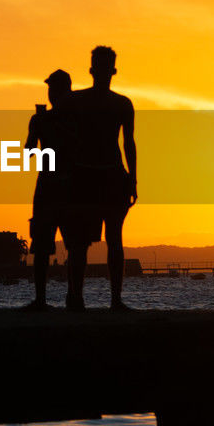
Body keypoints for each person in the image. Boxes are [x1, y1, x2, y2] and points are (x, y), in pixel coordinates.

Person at [64, 46, 137, 311]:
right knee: (80, 242)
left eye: (106, 66)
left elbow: (129, 142)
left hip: (110, 175)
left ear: (111, 70)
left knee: (113, 238)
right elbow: (65, 139)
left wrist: (133, 178)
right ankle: (77, 297)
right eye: (100, 66)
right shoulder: (76, 101)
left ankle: (114, 299)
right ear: (93, 70)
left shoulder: (121, 104)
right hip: (85, 175)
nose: (103, 71)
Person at [22, 70, 75, 312]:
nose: (51, 94)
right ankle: (41, 299)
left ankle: (74, 297)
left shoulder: (77, 118)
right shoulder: (41, 119)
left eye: (55, 89)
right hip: (48, 186)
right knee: (42, 245)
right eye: (50, 90)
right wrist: (36, 128)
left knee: (75, 244)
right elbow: (29, 151)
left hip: (69, 186)